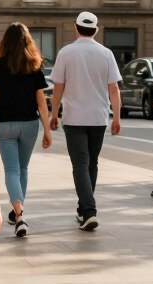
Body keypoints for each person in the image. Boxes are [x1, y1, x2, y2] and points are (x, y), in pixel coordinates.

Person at [49, 12, 122, 232]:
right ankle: (84, 209)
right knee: (92, 164)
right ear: (96, 30)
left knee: (80, 164)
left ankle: (89, 211)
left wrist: (54, 114)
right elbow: (114, 89)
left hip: (74, 117)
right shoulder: (106, 53)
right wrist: (116, 117)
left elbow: (58, 88)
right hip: (99, 117)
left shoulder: (65, 52)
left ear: (75, 28)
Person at [0, 22, 53, 237]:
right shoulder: (35, 64)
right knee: (22, 169)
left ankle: (19, 215)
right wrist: (47, 130)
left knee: (12, 170)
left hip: (5, 123)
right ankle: (19, 213)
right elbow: (42, 103)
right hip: (29, 124)